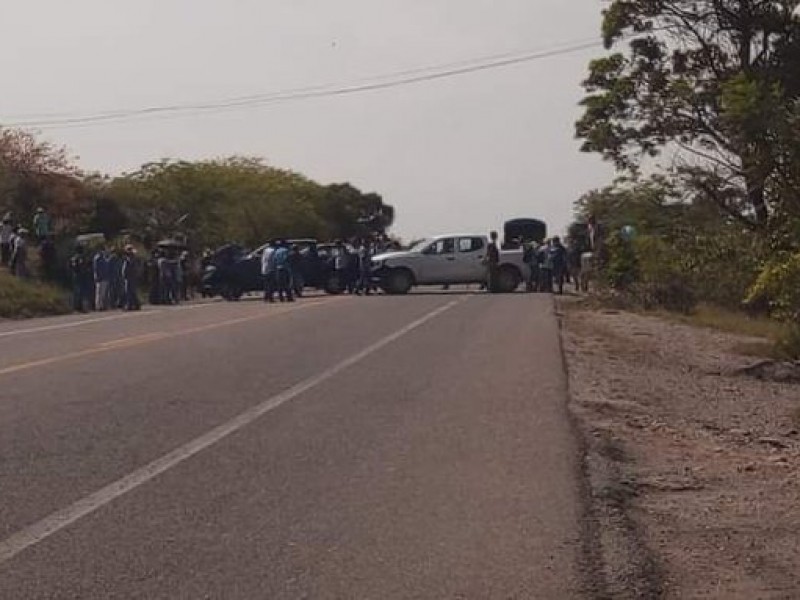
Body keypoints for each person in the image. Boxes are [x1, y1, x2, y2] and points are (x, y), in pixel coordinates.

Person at [69, 245, 93, 312]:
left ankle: (76, 307)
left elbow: (70, 267)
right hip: (81, 276)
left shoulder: (73, 258)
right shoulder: (80, 257)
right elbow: (83, 266)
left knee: (76, 292)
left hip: (75, 276)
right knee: (81, 292)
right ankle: (80, 307)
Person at [121, 245, 141, 311]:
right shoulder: (132, 259)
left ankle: (130, 305)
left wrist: (124, 275)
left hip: (130, 277)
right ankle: (135, 304)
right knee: (131, 291)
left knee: (129, 291)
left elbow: (125, 270)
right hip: (131, 277)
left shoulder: (129, 260)